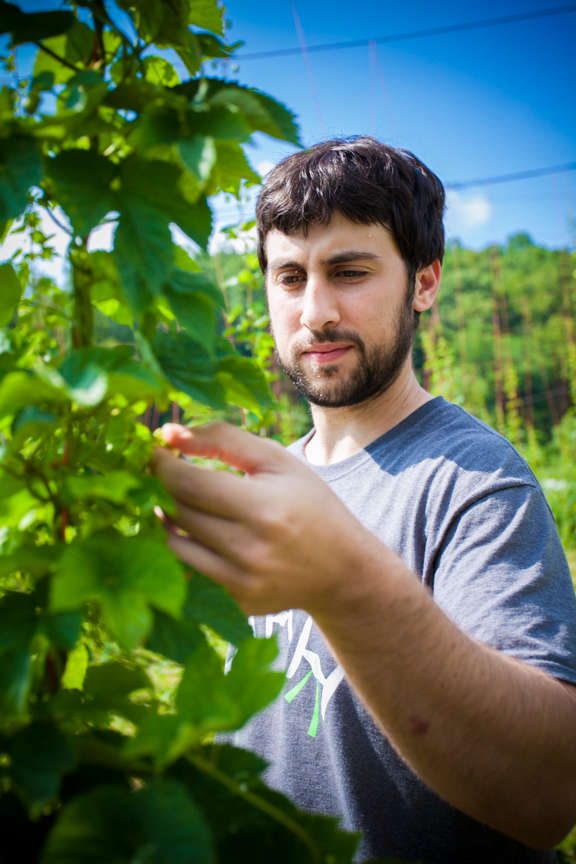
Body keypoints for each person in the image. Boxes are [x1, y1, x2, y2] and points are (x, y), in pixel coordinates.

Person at [153, 137, 576, 863]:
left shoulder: (474, 482)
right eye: (289, 277)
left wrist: (346, 583)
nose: (314, 313)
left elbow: (546, 796)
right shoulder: (267, 482)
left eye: (348, 272)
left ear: (425, 284)